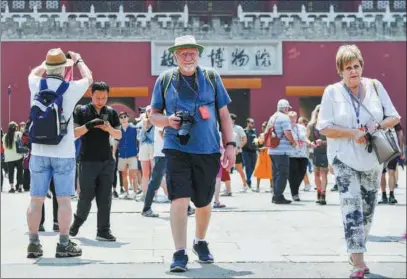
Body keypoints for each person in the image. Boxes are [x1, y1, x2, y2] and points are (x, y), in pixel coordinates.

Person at [149, 35, 235, 272]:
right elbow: (153, 115)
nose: (188, 57)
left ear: (199, 54)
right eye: (183, 53)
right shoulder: (165, 80)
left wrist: (230, 145)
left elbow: (224, 115)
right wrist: (168, 120)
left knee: (204, 201)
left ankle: (200, 240)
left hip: (207, 148)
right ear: (174, 56)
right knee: (179, 198)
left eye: (192, 53)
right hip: (176, 146)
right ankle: (179, 252)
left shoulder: (211, 77)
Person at [317, 44, 400, 279]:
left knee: (368, 210)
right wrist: (352, 132)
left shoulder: (375, 86)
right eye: (348, 68)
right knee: (352, 208)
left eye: (356, 66)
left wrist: (377, 126)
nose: (353, 71)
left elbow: (394, 116)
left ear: (362, 66)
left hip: (373, 157)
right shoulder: (332, 92)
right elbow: (323, 127)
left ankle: (355, 252)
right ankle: (358, 262)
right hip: (344, 158)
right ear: (340, 71)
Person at [26, 48, 92, 258]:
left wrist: (44, 64)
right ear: (64, 68)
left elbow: (34, 73)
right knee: (64, 200)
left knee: (36, 199)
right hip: (63, 152)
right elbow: (89, 78)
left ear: (47, 67)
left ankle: (34, 244)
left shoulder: (35, 84)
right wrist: (78, 60)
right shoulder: (71, 88)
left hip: (38, 151)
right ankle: (63, 244)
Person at [69, 81, 121, 242]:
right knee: (86, 196)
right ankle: (77, 222)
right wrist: (89, 126)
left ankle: (103, 230)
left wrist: (109, 129)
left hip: (107, 160)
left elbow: (119, 135)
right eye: (97, 97)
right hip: (87, 160)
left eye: (104, 98)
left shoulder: (111, 112)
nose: (101, 101)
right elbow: (73, 133)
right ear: (91, 95)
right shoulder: (81, 110)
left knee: (105, 197)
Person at [266, 99, 296, 204]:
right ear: (285, 108)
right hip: (282, 150)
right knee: (283, 173)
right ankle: (278, 196)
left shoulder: (272, 117)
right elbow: (287, 132)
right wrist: (293, 141)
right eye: (288, 108)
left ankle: (275, 195)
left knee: (276, 174)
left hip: (272, 149)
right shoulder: (284, 118)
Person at [307, 105, 329, 205]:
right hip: (315, 151)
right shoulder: (311, 125)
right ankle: (318, 192)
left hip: (325, 151)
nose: (320, 112)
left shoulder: (328, 125)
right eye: (318, 111)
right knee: (316, 174)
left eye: (322, 111)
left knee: (324, 173)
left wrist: (323, 142)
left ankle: (323, 196)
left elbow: (333, 140)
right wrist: (310, 143)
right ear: (316, 112)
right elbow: (307, 138)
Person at [288, 111, 311, 201]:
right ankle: (295, 193)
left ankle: (295, 187)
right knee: (293, 173)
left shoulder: (301, 127)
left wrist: (309, 143)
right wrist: (291, 142)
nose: (293, 119)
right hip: (291, 154)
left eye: (294, 117)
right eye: (291, 118)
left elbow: (305, 138)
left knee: (302, 171)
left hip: (302, 153)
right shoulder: (287, 128)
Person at [378, 123, 404, 204]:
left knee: (391, 172)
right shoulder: (377, 115)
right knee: (382, 174)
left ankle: (391, 195)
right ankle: (384, 195)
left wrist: (401, 149)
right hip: (381, 149)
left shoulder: (392, 117)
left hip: (391, 148)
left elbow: (400, 133)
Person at [116, 111, 139, 199]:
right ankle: (126, 192)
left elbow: (139, 140)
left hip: (133, 154)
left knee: (134, 174)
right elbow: (116, 143)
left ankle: (135, 193)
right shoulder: (118, 130)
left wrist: (138, 152)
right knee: (124, 175)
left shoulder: (134, 128)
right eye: (121, 117)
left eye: (124, 116)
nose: (123, 118)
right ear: (119, 119)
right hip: (122, 155)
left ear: (128, 117)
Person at [2, 121, 24, 193]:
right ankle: (20, 187)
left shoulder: (4, 136)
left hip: (9, 158)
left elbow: (4, 147)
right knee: (20, 172)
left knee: (11, 173)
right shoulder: (18, 134)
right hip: (18, 157)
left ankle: (12, 188)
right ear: (15, 128)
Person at [253, 121, 273, 192]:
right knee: (259, 169)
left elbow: (271, 145)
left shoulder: (270, 135)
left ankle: (272, 187)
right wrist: (256, 142)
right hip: (261, 155)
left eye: (264, 126)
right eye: (262, 126)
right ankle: (257, 187)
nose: (263, 128)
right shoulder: (261, 134)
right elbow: (258, 143)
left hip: (268, 155)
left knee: (270, 170)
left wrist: (263, 148)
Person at [230, 114, 248, 192]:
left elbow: (244, 139)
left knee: (239, 169)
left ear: (233, 120)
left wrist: (239, 147)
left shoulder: (238, 128)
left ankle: (245, 185)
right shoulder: (224, 127)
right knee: (226, 170)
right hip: (227, 151)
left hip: (237, 152)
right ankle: (227, 188)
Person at [242, 118, 258, 189]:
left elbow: (256, 140)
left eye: (253, 123)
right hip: (246, 151)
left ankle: (248, 178)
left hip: (253, 151)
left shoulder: (254, 131)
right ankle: (248, 180)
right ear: (247, 123)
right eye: (251, 123)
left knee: (253, 166)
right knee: (248, 166)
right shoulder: (244, 131)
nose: (253, 124)